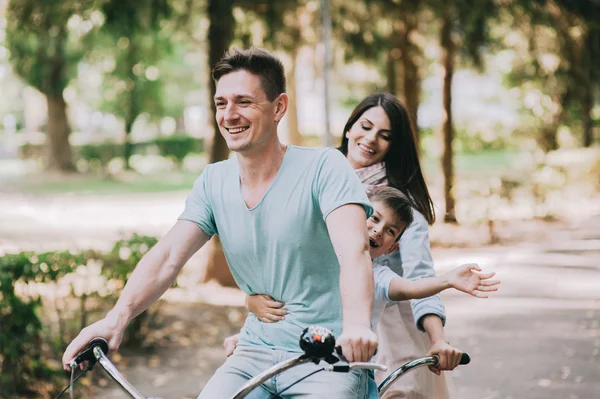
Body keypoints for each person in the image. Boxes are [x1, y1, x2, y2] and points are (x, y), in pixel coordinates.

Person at [62, 47, 379, 398]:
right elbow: (169, 256)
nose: (229, 115)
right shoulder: (214, 181)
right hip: (252, 354)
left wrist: (356, 326)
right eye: (221, 103)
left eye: (244, 102)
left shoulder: (325, 167)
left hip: (326, 355)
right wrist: (116, 318)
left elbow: (354, 250)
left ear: (279, 107)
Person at [223, 187, 500, 398]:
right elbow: (282, 303)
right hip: (294, 363)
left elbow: (411, 287)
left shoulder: (379, 276)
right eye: (374, 218)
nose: (378, 231)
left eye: (390, 231)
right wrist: (249, 334)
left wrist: (447, 280)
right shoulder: (318, 259)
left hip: (343, 373)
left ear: (392, 248)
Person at [340, 93, 460, 398]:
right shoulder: (320, 183)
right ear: (349, 128)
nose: (370, 139)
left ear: (394, 146)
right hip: (325, 319)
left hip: (388, 328)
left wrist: (439, 339)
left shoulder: (403, 209)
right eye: (365, 127)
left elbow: (420, 276)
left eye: (385, 135)